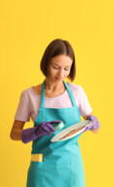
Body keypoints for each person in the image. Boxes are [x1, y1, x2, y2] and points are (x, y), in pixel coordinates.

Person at [9, 39, 101, 186]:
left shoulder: (77, 92)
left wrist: (94, 123)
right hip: (42, 168)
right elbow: (14, 133)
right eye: (56, 67)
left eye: (67, 68)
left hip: (71, 168)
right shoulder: (29, 95)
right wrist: (35, 131)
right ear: (46, 64)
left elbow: (95, 129)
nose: (61, 74)